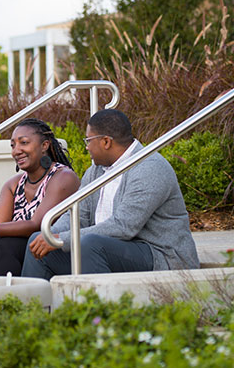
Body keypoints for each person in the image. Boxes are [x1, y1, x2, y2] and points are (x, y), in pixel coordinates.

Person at [22, 108, 199, 279]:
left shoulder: (150, 168)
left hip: (162, 255)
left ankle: (98, 309)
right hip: (112, 250)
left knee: (91, 245)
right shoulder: (96, 170)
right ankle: (35, 308)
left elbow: (123, 227)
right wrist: (50, 235)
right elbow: (78, 215)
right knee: (38, 241)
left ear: (106, 142)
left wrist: (62, 239)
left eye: (88, 141)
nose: (87, 148)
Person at [0, 118, 80, 276]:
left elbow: (37, 224)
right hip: (20, 250)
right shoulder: (13, 184)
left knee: (8, 244)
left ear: (44, 145)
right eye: (13, 145)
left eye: (24, 143)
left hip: (53, 249)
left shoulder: (63, 177)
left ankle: (8, 298)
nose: (16, 151)